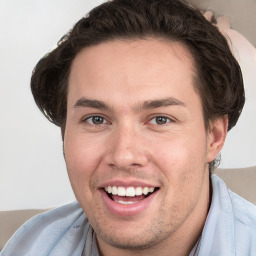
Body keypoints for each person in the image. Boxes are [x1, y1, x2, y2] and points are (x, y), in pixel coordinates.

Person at [2, 0, 256, 255]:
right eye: (96, 119)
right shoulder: (29, 246)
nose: (123, 156)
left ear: (214, 136)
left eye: (160, 120)